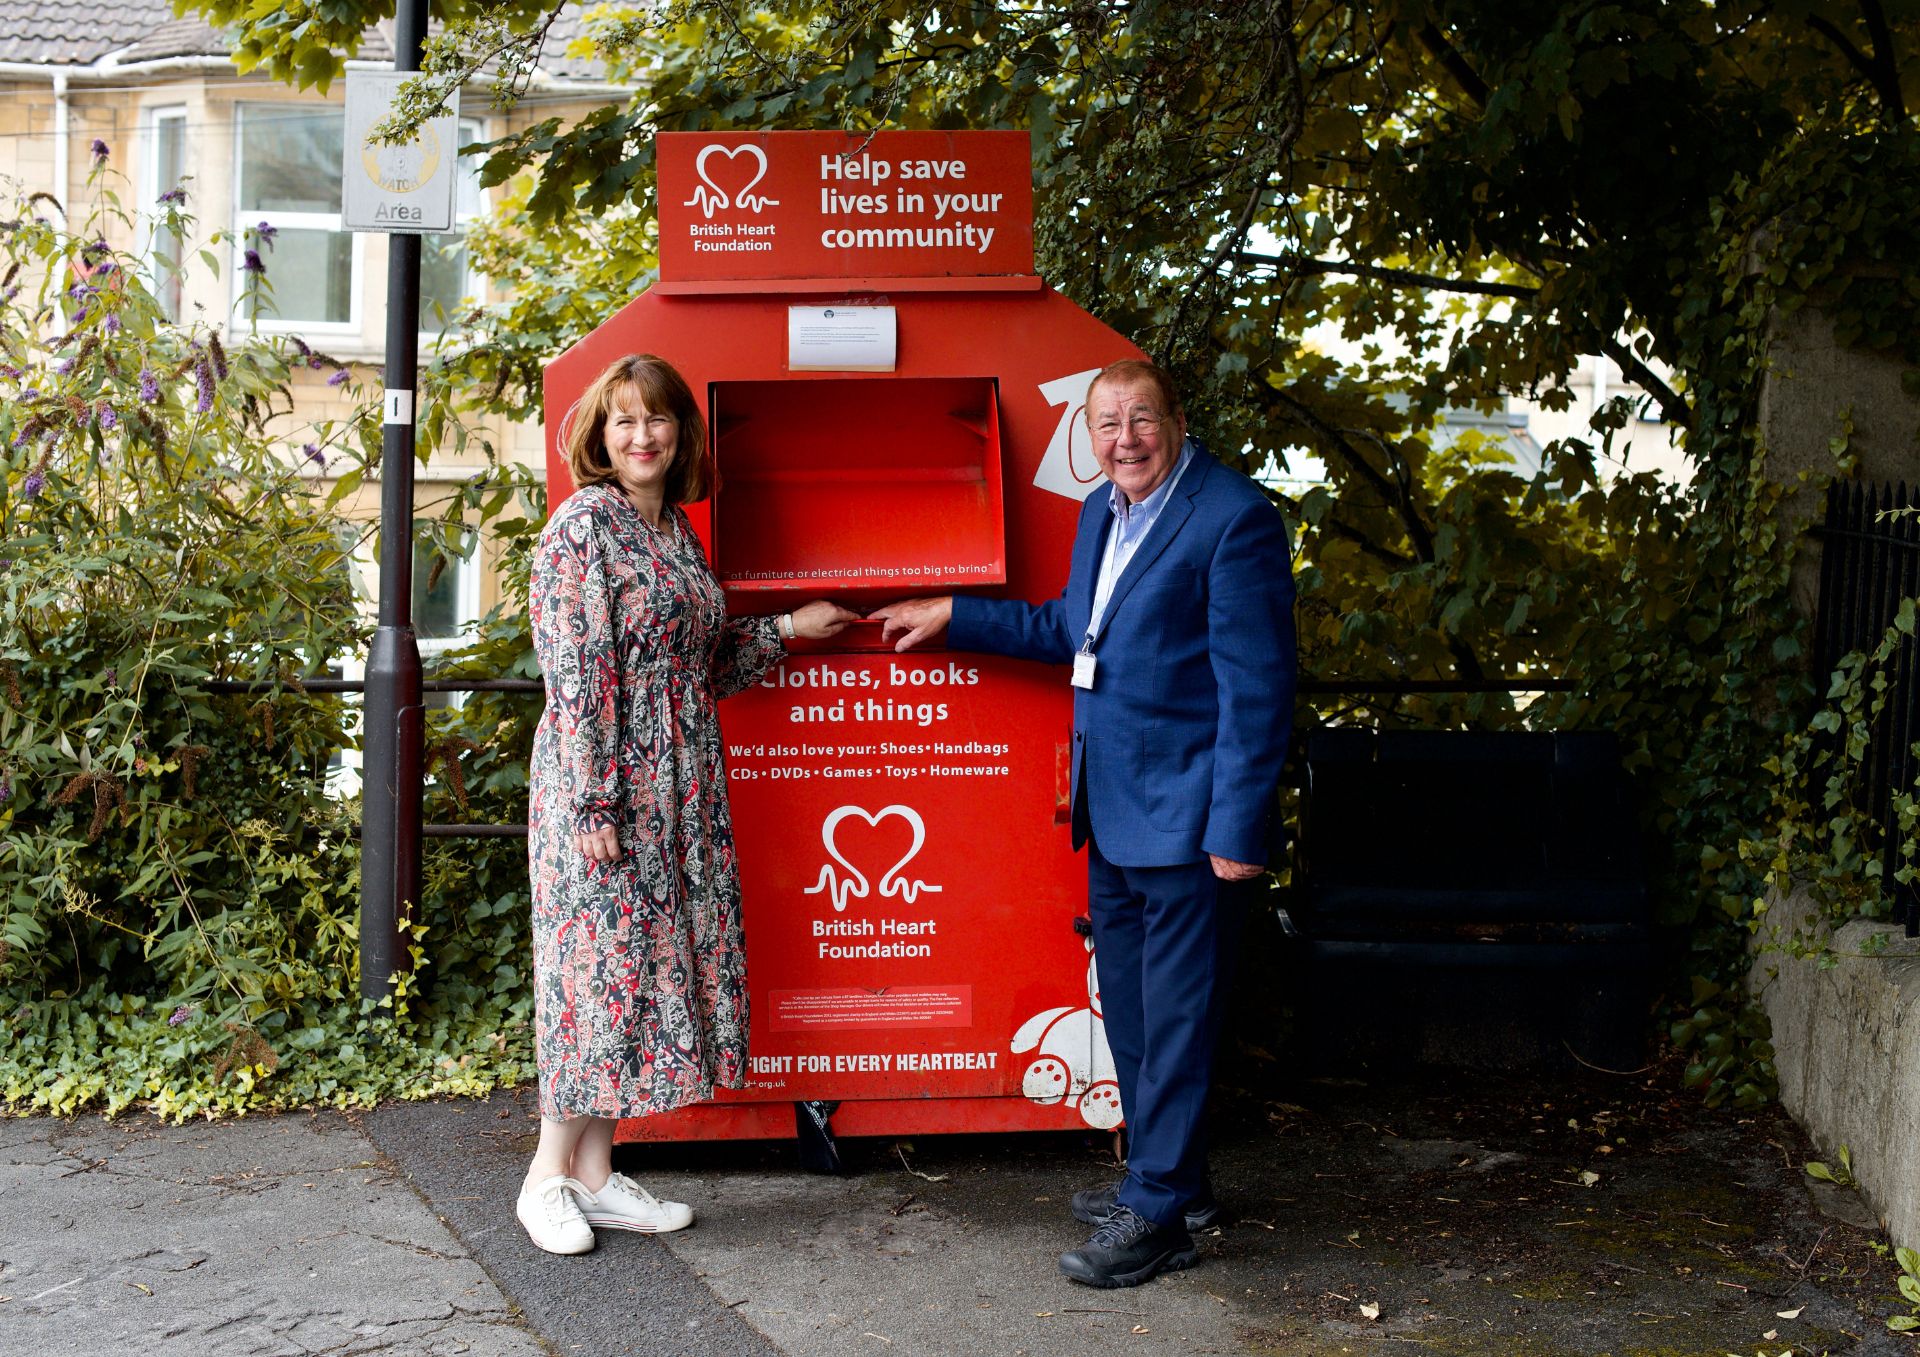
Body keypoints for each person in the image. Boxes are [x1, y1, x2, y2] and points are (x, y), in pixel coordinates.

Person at [872, 358, 1295, 1288]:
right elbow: (1078, 629)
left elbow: (1258, 692)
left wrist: (1237, 827)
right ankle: (1174, 1181)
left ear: (1177, 420)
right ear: (1091, 436)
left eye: (1142, 418)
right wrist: (956, 614)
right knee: (1138, 1016)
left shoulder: (1234, 519)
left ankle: (1156, 1216)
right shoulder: (1103, 511)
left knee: (1180, 1019)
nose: (1125, 439)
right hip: (1112, 810)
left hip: (1189, 822)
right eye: (1107, 423)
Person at [520, 353, 857, 1255]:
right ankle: (545, 1176)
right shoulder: (582, 529)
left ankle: (594, 1173)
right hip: (609, 792)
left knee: (640, 964)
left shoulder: (673, 532)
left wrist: (787, 630)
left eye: (658, 421)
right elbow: (580, 675)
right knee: (597, 968)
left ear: (681, 434)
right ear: (599, 432)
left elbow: (697, 667)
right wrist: (594, 806)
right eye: (624, 421)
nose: (642, 436)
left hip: (681, 783)